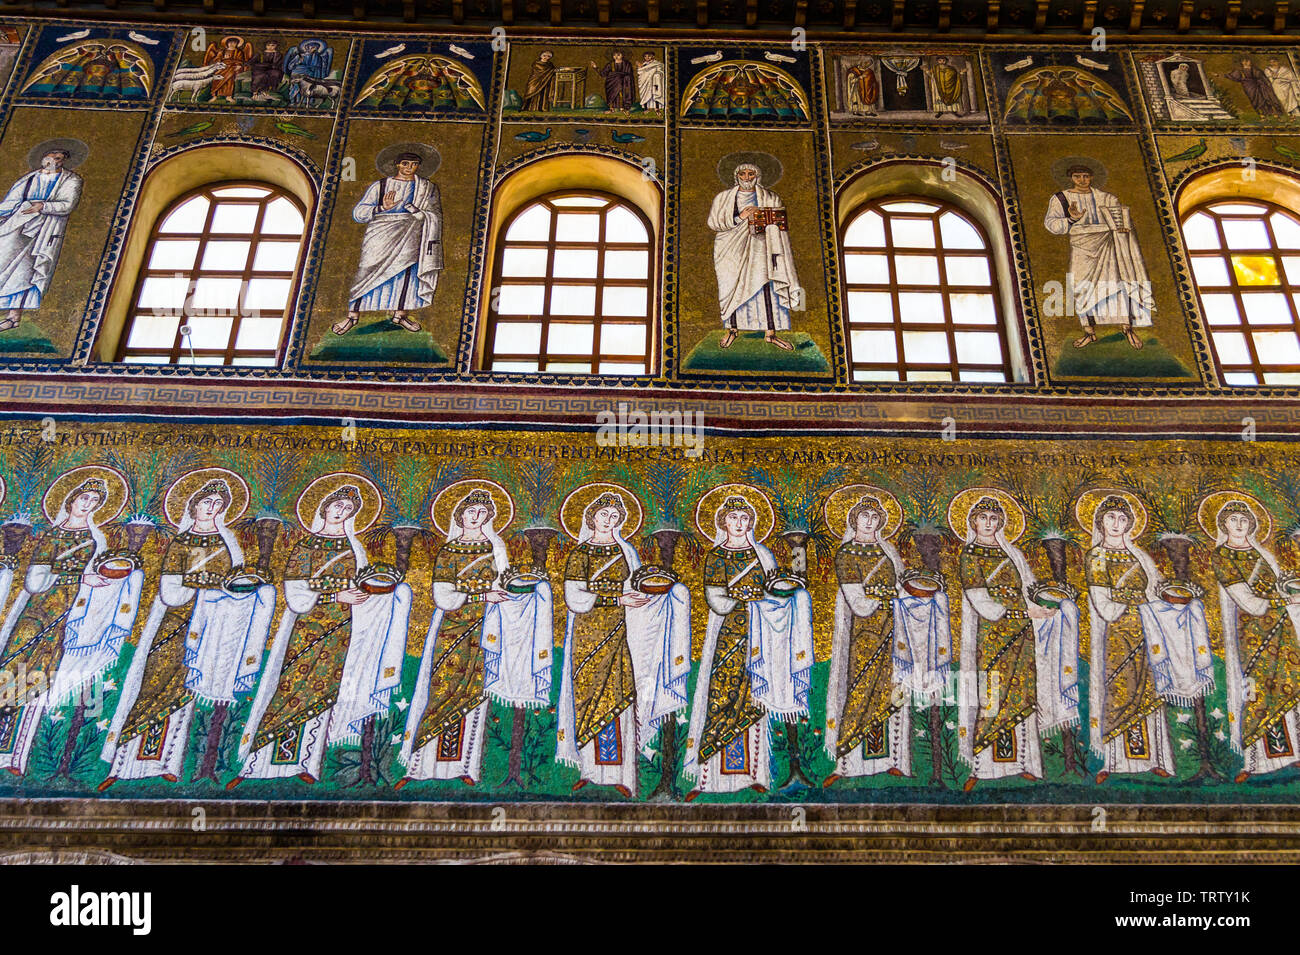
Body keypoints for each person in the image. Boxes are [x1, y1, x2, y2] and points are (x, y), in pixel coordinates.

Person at [99, 476, 275, 789]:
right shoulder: (181, 542)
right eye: (207, 502)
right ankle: (126, 762)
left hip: (212, 625)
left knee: (188, 689)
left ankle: (168, 762)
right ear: (193, 505)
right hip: (174, 623)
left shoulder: (227, 541)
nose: (213, 508)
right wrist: (203, 586)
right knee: (155, 684)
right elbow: (169, 591)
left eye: (219, 505)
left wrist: (227, 590)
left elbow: (234, 579)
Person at [230, 482, 410, 786]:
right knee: (289, 689)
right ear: (324, 506)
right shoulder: (305, 546)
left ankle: (306, 763)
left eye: (349, 509)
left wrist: (390, 593)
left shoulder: (355, 549)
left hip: (341, 631)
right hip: (305, 631)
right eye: (337, 505)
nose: (342, 512)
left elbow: (364, 588)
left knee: (326, 693)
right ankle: (258, 763)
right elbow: (295, 594)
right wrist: (336, 596)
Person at [398, 487, 552, 788]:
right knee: (441, 689)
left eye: (483, 513)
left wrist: (531, 591)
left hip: (487, 629)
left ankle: (464, 767)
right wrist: (483, 594)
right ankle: (420, 765)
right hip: (452, 629)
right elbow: (442, 595)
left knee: (475, 693)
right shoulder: (448, 551)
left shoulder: (496, 549)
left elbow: (505, 586)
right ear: (460, 516)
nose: (477, 517)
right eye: (472, 512)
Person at [0, 473, 141, 777]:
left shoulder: (96, 539)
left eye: (94, 501)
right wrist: (78, 578)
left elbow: (102, 573)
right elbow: (35, 582)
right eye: (84, 498)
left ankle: (17, 754)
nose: (87, 504)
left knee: (46, 677)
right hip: (37, 615)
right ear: (71, 499)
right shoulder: (52, 536)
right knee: (14, 668)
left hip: (73, 618)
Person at [556, 490, 690, 797]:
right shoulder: (580, 554)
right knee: (588, 699)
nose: (609, 520)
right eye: (605, 514)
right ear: (592, 516)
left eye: (615, 517)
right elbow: (574, 598)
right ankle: (589, 771)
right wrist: (616, 597)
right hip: (587, 636)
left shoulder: (626, 551)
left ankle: (621, 773)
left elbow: (638, 588)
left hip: (621, 633)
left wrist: (659, 596)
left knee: (620, 697)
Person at [683, 492, 813, 799]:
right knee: (722, 699)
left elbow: (778, 588)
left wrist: (789, 588)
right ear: (722, 522)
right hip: (729, 636)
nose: (739, 523)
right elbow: (716, 600)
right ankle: (709, 780)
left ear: (751, 523)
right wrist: (749, 600)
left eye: (744, 518)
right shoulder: (716, 557)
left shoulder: (763, 555)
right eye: (732, 518)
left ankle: (755, 776)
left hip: (761, 637)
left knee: (755, 702)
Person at [823, 493, 949, 785]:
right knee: (860, 693)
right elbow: (858, 602)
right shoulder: (846, 554)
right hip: (862, 635)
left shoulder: (888, 551)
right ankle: (848, 764)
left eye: (875, 517)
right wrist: (888, 596)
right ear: (854, 519)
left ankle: (893, 760)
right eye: (864, 516)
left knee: (893, 693)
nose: (869, 521)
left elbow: (903, 588)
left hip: (894, 632)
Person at [954, 493, 1075, 791]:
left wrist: (1052, 600)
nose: (988, 523)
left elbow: (1030, 588)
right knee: (992, 697)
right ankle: (983, 768)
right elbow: (982, 604)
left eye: (994, 518)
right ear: (973, 522)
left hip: (1022, 635)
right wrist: (1025, 611)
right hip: (991, 639)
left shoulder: (1013, 554)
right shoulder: (969, 556)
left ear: (1001, 523)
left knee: (1022, 695)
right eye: (983, 518)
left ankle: (1025, 764)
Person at [1083, 493, 1180, 782]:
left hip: (1147, 633)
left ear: (1130, 524)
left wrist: (1166, 601)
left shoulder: (1139, 557)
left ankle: (1155, 760)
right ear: (1100, 522)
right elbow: (1103, 604)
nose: (1117, 523)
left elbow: (1154, 590)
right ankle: (1113, 763)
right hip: (1118, 636)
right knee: (1119, 693)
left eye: (1123, 518)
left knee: (1149, 693)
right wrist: (1134, 608)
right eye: (1111, 517)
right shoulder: (1096, 556)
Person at [1208, 496, 1300, 782]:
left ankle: (1294, 755)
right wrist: (1281, 599)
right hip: (1251, 633)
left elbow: (1277, 584)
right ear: (1223, 524)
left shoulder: (1262, 553)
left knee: (1290, 685)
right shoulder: (1221, 556)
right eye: (1233, 520)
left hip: (1281, 629)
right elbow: (1247, 601)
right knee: (1257, 690)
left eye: (1244, 519)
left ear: (1252, 524)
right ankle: (1255, 762)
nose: (1239, 524)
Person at [1043, 162, 1154, 350]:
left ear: (1092, 177)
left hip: (1108, 244)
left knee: (1116, 285)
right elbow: (1051, 224)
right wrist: (1072, 219)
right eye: (1078, 176)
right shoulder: (1061, 198)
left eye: (1086, 176)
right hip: (1081, 245)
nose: (1082, 180)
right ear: (1071, 178)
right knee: (1080, 286)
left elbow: (1120, 218)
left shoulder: (1107, 198)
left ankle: (1127, 328)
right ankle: (1089, 332)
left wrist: (1122, 227)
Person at [335, 150, 442, 335]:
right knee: (366, 271)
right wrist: (382, 207)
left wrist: (418, 212)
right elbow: (359, 213)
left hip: (411, 232)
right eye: (405, 164)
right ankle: (352, 316)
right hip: (381, 233)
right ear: (397, 165)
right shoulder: (380, 186)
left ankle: (400, 314)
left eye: (414, 164)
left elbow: (435, 214)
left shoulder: (427, 187)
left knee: (406, 272)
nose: (410, 168)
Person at [708, 162, 803, 351]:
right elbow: (714, 222)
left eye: (751, 173)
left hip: (761, 245)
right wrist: (740, 216)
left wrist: (764, 217)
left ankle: (771, 333)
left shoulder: (770, 197)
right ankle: (732, 330)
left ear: (757, 175)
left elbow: (779, 220)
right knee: (731, 286)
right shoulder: (723, 198)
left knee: (765, 285)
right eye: (742, 173)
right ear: (736, 176)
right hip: (730, 248)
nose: (746, 177)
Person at [0, 146, 83, 332]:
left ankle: (13, 317)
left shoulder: (71, 180)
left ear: (64, 161)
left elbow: (67, 205)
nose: (53, 161)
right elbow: (10, 202)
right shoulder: (30, 178)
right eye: (51, 157)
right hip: (15, 227)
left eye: (59, 158)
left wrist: (42, 206)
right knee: (4, 268)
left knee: (26, 273)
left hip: (42, 233)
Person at [204, 36, 253, 103]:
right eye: (230, 42)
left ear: (237, 44)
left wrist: (239, 65)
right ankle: (214, 95)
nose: (232, 44)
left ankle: (229, 96)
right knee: (217, 75)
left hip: (233, 67)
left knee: (230, 76)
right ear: (227, 43)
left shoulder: (239, 52)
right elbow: (218, 58)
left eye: (234, 42)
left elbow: (241, 61)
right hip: (222, 67)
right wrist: (219, 62)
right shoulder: (222, 51)